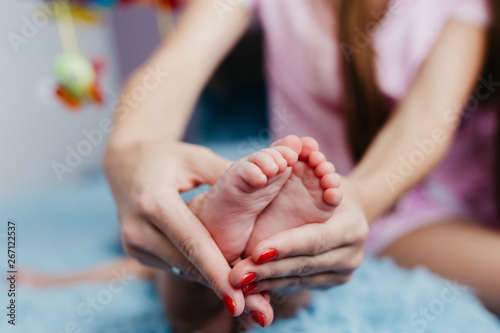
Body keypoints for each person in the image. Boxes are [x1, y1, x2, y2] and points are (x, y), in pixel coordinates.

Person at [103, 0, 499, 329]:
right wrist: (131, 151)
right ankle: (228, 256)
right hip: (379, 206)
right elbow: (175, 70)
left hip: (392, 194)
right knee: (287, 261)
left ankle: (235, 254)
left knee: (276, 264)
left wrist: (362, 197)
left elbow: (427, 121)